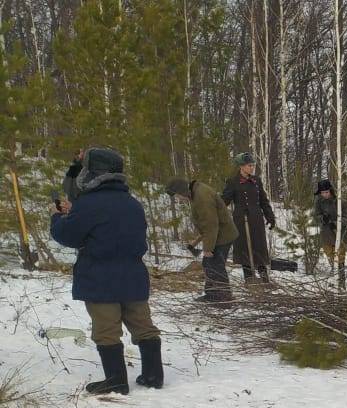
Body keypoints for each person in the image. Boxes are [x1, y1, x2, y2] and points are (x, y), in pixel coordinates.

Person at [51, 147, 163, 394]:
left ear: (92, 174)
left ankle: (116, 381)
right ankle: (154, 376)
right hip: (133, 276)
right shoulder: (133, 204)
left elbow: (67, 235)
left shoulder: (89, 204)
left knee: (106, 331)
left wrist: (57, 218)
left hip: (100, 278)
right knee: (144, 326)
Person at [166, 177, 238, 304]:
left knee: (216, 265)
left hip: (222, 235)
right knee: (208, 264)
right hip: (216, 234)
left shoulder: (201, 197)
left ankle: (223, 297)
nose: (178, 199)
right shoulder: (195, 192)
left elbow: (211, 224)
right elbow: (206, 223)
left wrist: (208, 248)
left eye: (177, 195)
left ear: (182, 190)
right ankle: (212, 295)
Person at [221, 152, 276, 284]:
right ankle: (249, 279)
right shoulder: (233, 182)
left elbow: (263, 200)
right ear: (241, 167)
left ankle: (264, 279)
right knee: (244, 249)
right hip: (241, 219)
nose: (252, 168)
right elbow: (225, 201)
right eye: (249, 165)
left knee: (259, 247)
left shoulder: (257, 180)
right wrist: (216, 205)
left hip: (256, 219)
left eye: (253, 165)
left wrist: (270, 216)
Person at [313, 179, 347, 268]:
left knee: (340, 257)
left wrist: (336, 223)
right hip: (326, 234)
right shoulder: (318, 202)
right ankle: (334, 271)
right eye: (322, 192)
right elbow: (316, 216)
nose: (325, 194)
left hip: (341, 233)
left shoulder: (341, 201)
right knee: (330, 255)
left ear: (330, 191)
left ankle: (341, 275)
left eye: (326, 192)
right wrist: (323, 218)